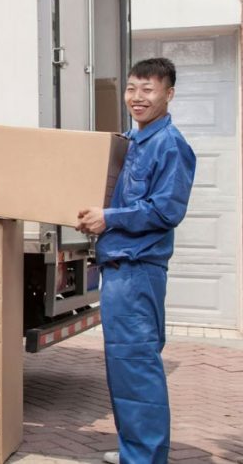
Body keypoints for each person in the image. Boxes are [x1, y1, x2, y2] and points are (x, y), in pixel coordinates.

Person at [76, 58, 195, 464]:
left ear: (169, 94)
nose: (137, 97)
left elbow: (166, 210)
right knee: (123, 369)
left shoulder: (171, 145)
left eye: (148, 89)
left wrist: (109, 218)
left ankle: (144, 458)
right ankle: (137, 451)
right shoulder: (130, 140)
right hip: (118, 270)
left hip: (138, 271)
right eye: (131, 89)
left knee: (136, 366)